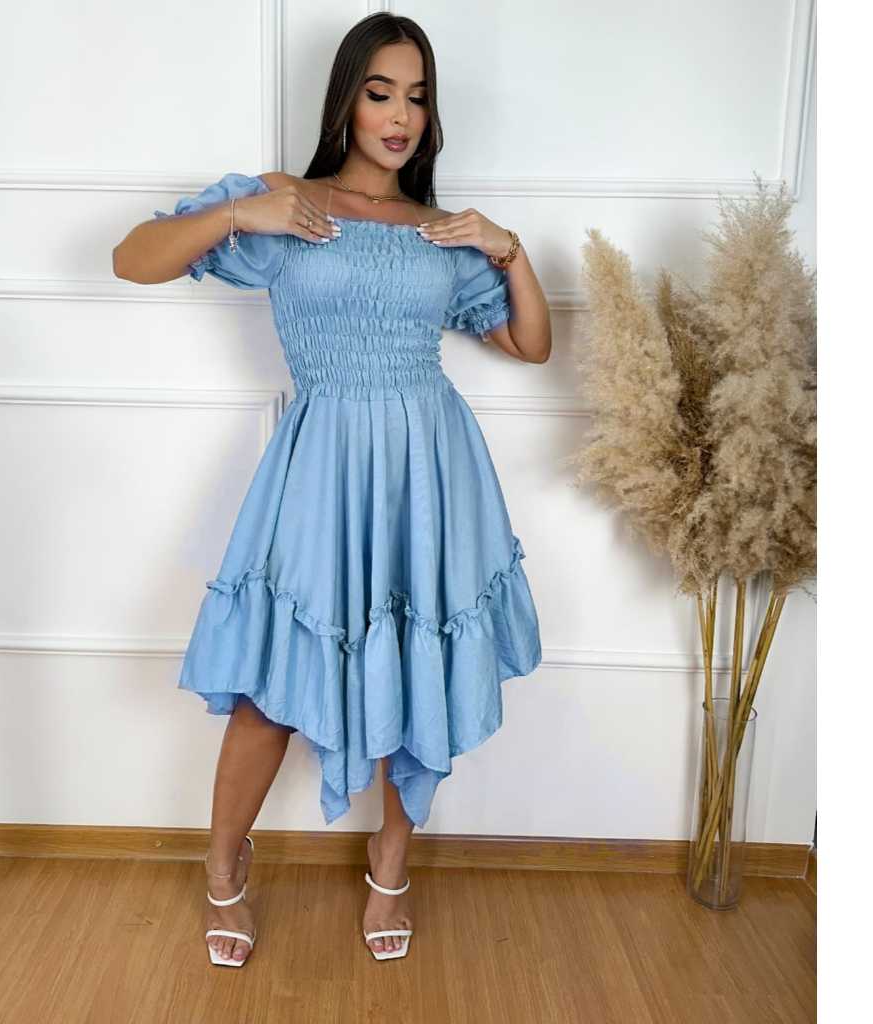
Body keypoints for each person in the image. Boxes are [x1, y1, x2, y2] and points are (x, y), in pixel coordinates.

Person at [113, 11, 551, 968]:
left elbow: (531, 343)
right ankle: (223, 867)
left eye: (417, 97)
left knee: (416, 664)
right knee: (270, 682)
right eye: (380, 92)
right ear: (346, 100)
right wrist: (240, 214)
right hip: (321, 470)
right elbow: (133, 258)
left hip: (428, 471)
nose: (399, 116)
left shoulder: (441, 231)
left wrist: (510, 248)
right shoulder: (288, 202)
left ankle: (390, 863)